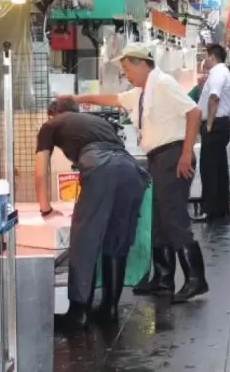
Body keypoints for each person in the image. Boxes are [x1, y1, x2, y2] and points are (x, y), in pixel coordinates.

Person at [67, 43, 208, 303]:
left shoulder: (163, 84)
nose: (126, 74)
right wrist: (78, 100)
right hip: (159, 158)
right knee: (159, 219)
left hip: (173, 155)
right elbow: (113, 100)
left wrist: (186, 153)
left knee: (174, 218)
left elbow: (194, 112)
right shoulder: (143, 93)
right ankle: (163, 278)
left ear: (142, 63)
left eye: (127, 68)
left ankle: (196, 279)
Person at [35, 98, 149, 331]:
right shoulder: (96, 121)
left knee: (85, 239)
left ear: (52, 113)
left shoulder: (51, 125)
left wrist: (45, 208)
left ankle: (78, 314)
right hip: (131, 169)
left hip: (101, 168)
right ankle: (110, 309)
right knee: (116, 240)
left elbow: (40, 171)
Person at [197, 44, 230, 222]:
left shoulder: (218, 73)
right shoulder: (221, 72)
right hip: (220, 123)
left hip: (216, 124)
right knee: (218, 167)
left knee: (209, 167)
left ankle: (210, 209)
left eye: (205, 55)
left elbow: (214, 98)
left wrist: (209, 124)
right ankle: (220, 207)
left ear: (212, 57)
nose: (204, 59)